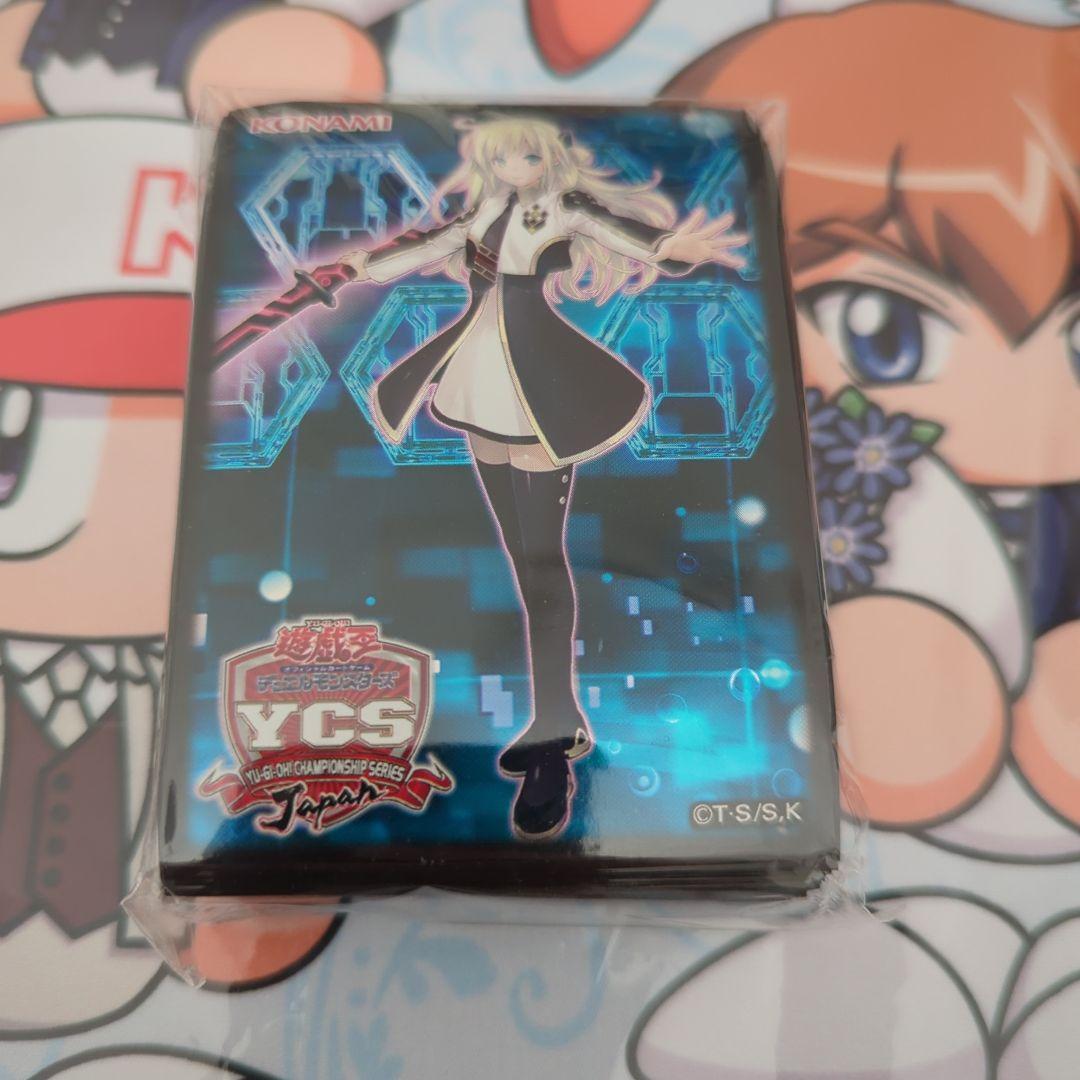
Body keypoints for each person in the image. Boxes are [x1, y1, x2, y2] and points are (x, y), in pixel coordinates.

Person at [339, 114, 746, 839]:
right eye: (503, 158)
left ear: (548, 158)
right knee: (523, 565)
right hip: (478, 380)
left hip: (537, 384)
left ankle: (554, 731)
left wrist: (668, 249)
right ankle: (558, 717)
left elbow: (621, 230)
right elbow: (427, 244)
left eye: (527, 156)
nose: (515, 168)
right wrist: (358, 267)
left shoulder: (561, 208)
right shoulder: (484, 211)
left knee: (543, 561)